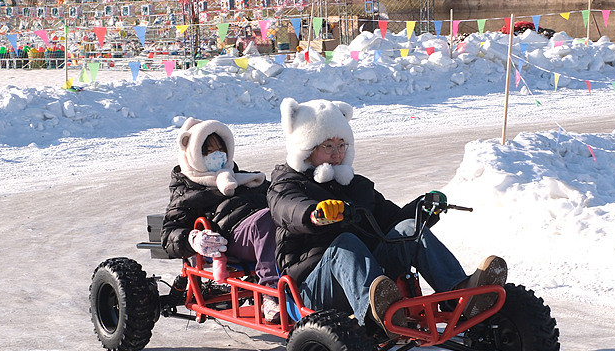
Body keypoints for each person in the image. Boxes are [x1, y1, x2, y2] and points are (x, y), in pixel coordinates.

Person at [267, 97, 507, 336]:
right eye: (328, 146)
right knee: (346, 242)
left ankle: (461, 294)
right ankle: (376, 313)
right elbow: (288, 208)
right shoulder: (286, 184)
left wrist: (422, 209)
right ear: (306, 148)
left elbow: (393, 220)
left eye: (342, 145)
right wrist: (314, 213)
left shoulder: (355, 186)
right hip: (315, 285)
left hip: (371, 280)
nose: (337, 153)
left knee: (408, 228)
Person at [161, 118, 280, 322]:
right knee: (267, 219)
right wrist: (192, 238)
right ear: (194, 154)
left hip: (265, 232)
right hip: (231, 236)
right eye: (208, 151)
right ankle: (271, 295)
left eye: (221, 149)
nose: (218, 155)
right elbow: (168, 234)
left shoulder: (243, 178)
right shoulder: (187, 190)